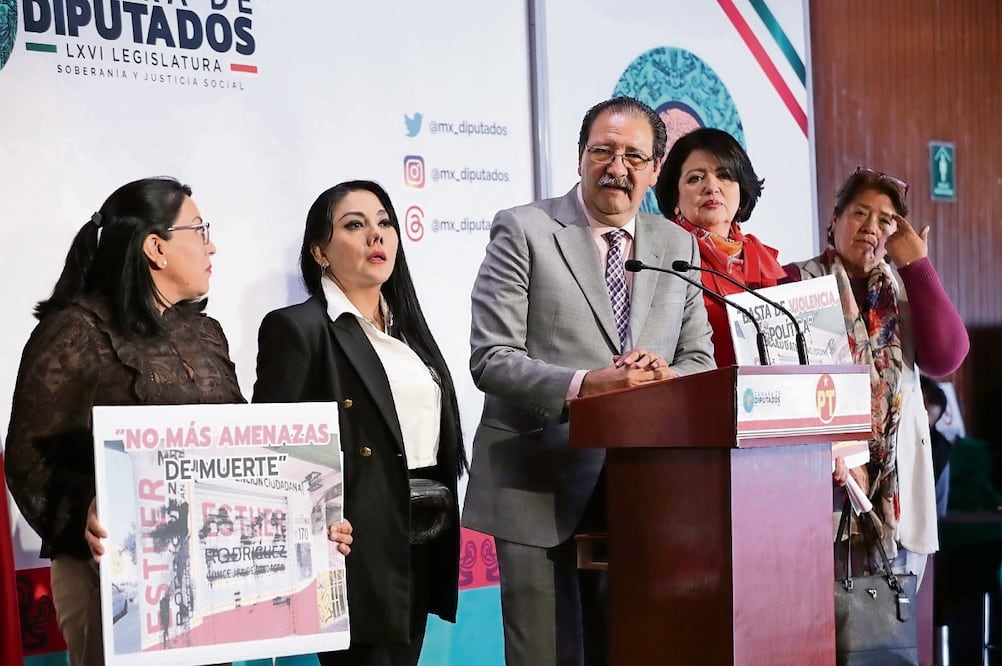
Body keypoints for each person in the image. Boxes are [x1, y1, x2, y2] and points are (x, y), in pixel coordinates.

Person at [462, 96, 716, 666]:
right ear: (581, 157)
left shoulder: (677, 246)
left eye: (634, 156)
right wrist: (586, 385)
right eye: (602, 150)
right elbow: (491, 358)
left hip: (644, 493)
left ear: (655, 170)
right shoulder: (525, 229)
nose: (616, 167)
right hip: (539, 482)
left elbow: (699, 359)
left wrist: (663, 378)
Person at [3, 177, 246, 666]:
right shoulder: (75, 330)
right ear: (156, 247)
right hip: (112, 584)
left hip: (207, 578)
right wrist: (87, 516)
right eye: (200, 230)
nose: (211, 244)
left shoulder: (207, 333)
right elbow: (28, 457)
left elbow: (241, 446)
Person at [252, 180, 465, 666]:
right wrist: (311, 521)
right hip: (353, 546)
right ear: (320, 251)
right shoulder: (298, 328)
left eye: (385, 223)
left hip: (421, 533)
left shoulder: (408, 330)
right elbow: (272, 454)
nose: (378, 236)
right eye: (355, 225)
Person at [785, 167, 969, 584]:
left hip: (894, 477)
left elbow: (946, 357)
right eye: (860, 213)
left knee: (883, 629)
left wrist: (917, 265)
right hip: (822, 475)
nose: (871, 228)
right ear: (834, 220)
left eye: (885, 221)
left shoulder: (904, 292)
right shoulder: (796, 281)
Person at [653, 127, 786, 366]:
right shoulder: (661, 259)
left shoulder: (765, 260)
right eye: (696, 178)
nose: (712, 187)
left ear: (741, 189)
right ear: (675, 196)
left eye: (724, 175)